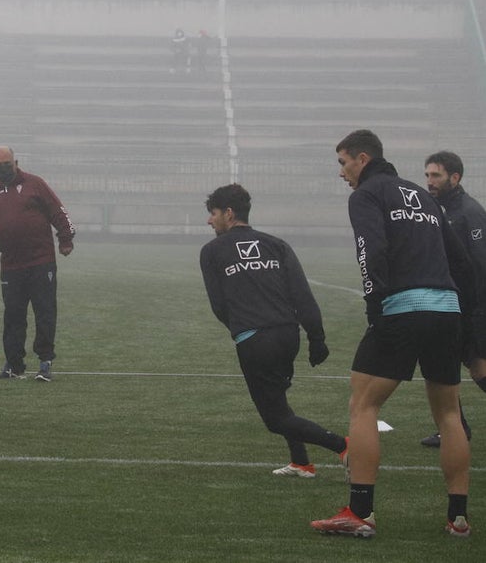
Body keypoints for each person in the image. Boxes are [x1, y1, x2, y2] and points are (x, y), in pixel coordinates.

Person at [311, 129, 472, 538]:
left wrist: (374, 305)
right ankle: (458, 519)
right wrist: (462, 312)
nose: (342, 173)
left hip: (401, 309)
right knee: (450, 413)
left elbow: (371, 248)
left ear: (362, 159)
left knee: (363, 405)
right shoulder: (424, 196)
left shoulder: (366, 195)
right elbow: (462, 262)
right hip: (447, 310)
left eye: (343, 163)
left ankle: (360, 512)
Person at [200, 184, 348, 478]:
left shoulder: (212, 251)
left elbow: (219, 306)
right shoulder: (276, 245)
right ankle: (301, 462)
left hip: (256, 340)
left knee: (275, 419)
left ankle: (344, 447)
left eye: (213, 214)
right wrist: (316, 338)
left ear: (228, 214)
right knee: (278, 397)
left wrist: (244, 328)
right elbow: (302, 295)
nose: (209, 220)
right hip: (287, 335)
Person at [0, 146, 74, 382]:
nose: (4, 169)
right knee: (13, 316)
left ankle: (45, 362)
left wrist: (65, 238)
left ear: (16, 162)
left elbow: (58, 211)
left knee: (45, 312)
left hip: (41, 262)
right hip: (11, 267)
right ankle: (14, 365)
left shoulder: (35, 184)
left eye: (8, 164)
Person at [418, 150, 486, 448]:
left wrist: (478, 320)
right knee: (441, 365)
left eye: (436, 175)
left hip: (470, 308)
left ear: (454, 178)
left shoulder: (469, 212)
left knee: (479, 368)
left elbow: (480, 269)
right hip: (448, 304)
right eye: (427, 175)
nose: (430, 181)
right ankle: (455, 427)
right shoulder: (435, 208)